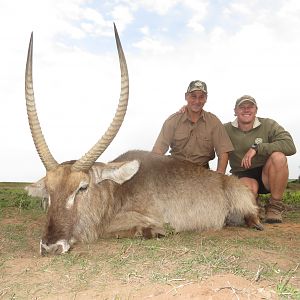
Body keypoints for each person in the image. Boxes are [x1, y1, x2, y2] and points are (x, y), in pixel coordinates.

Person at [224, 95, 296, 223]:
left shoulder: (269, 124)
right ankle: (255, 205)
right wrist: (186, 112)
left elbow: (290, 146)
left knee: (279, 157)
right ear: (235, 111)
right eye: (242, 107)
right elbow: (207, 134)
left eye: (250, 107)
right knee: (249, 193)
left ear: (256, 110)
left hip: (267, 173)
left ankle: (274, 206)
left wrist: (257, 148)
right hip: (243, 173)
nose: (246, 110)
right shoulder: (225, 129)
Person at [152, 80, 234, 174]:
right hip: (174, 171)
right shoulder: (173, 121)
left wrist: (219, 176)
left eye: (201, 97)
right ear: (186, 96)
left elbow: (223, 152)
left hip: (201, 173)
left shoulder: (213, 122)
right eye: (193, 96)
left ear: (206, 98)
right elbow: (158, 150)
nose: (197, 101)